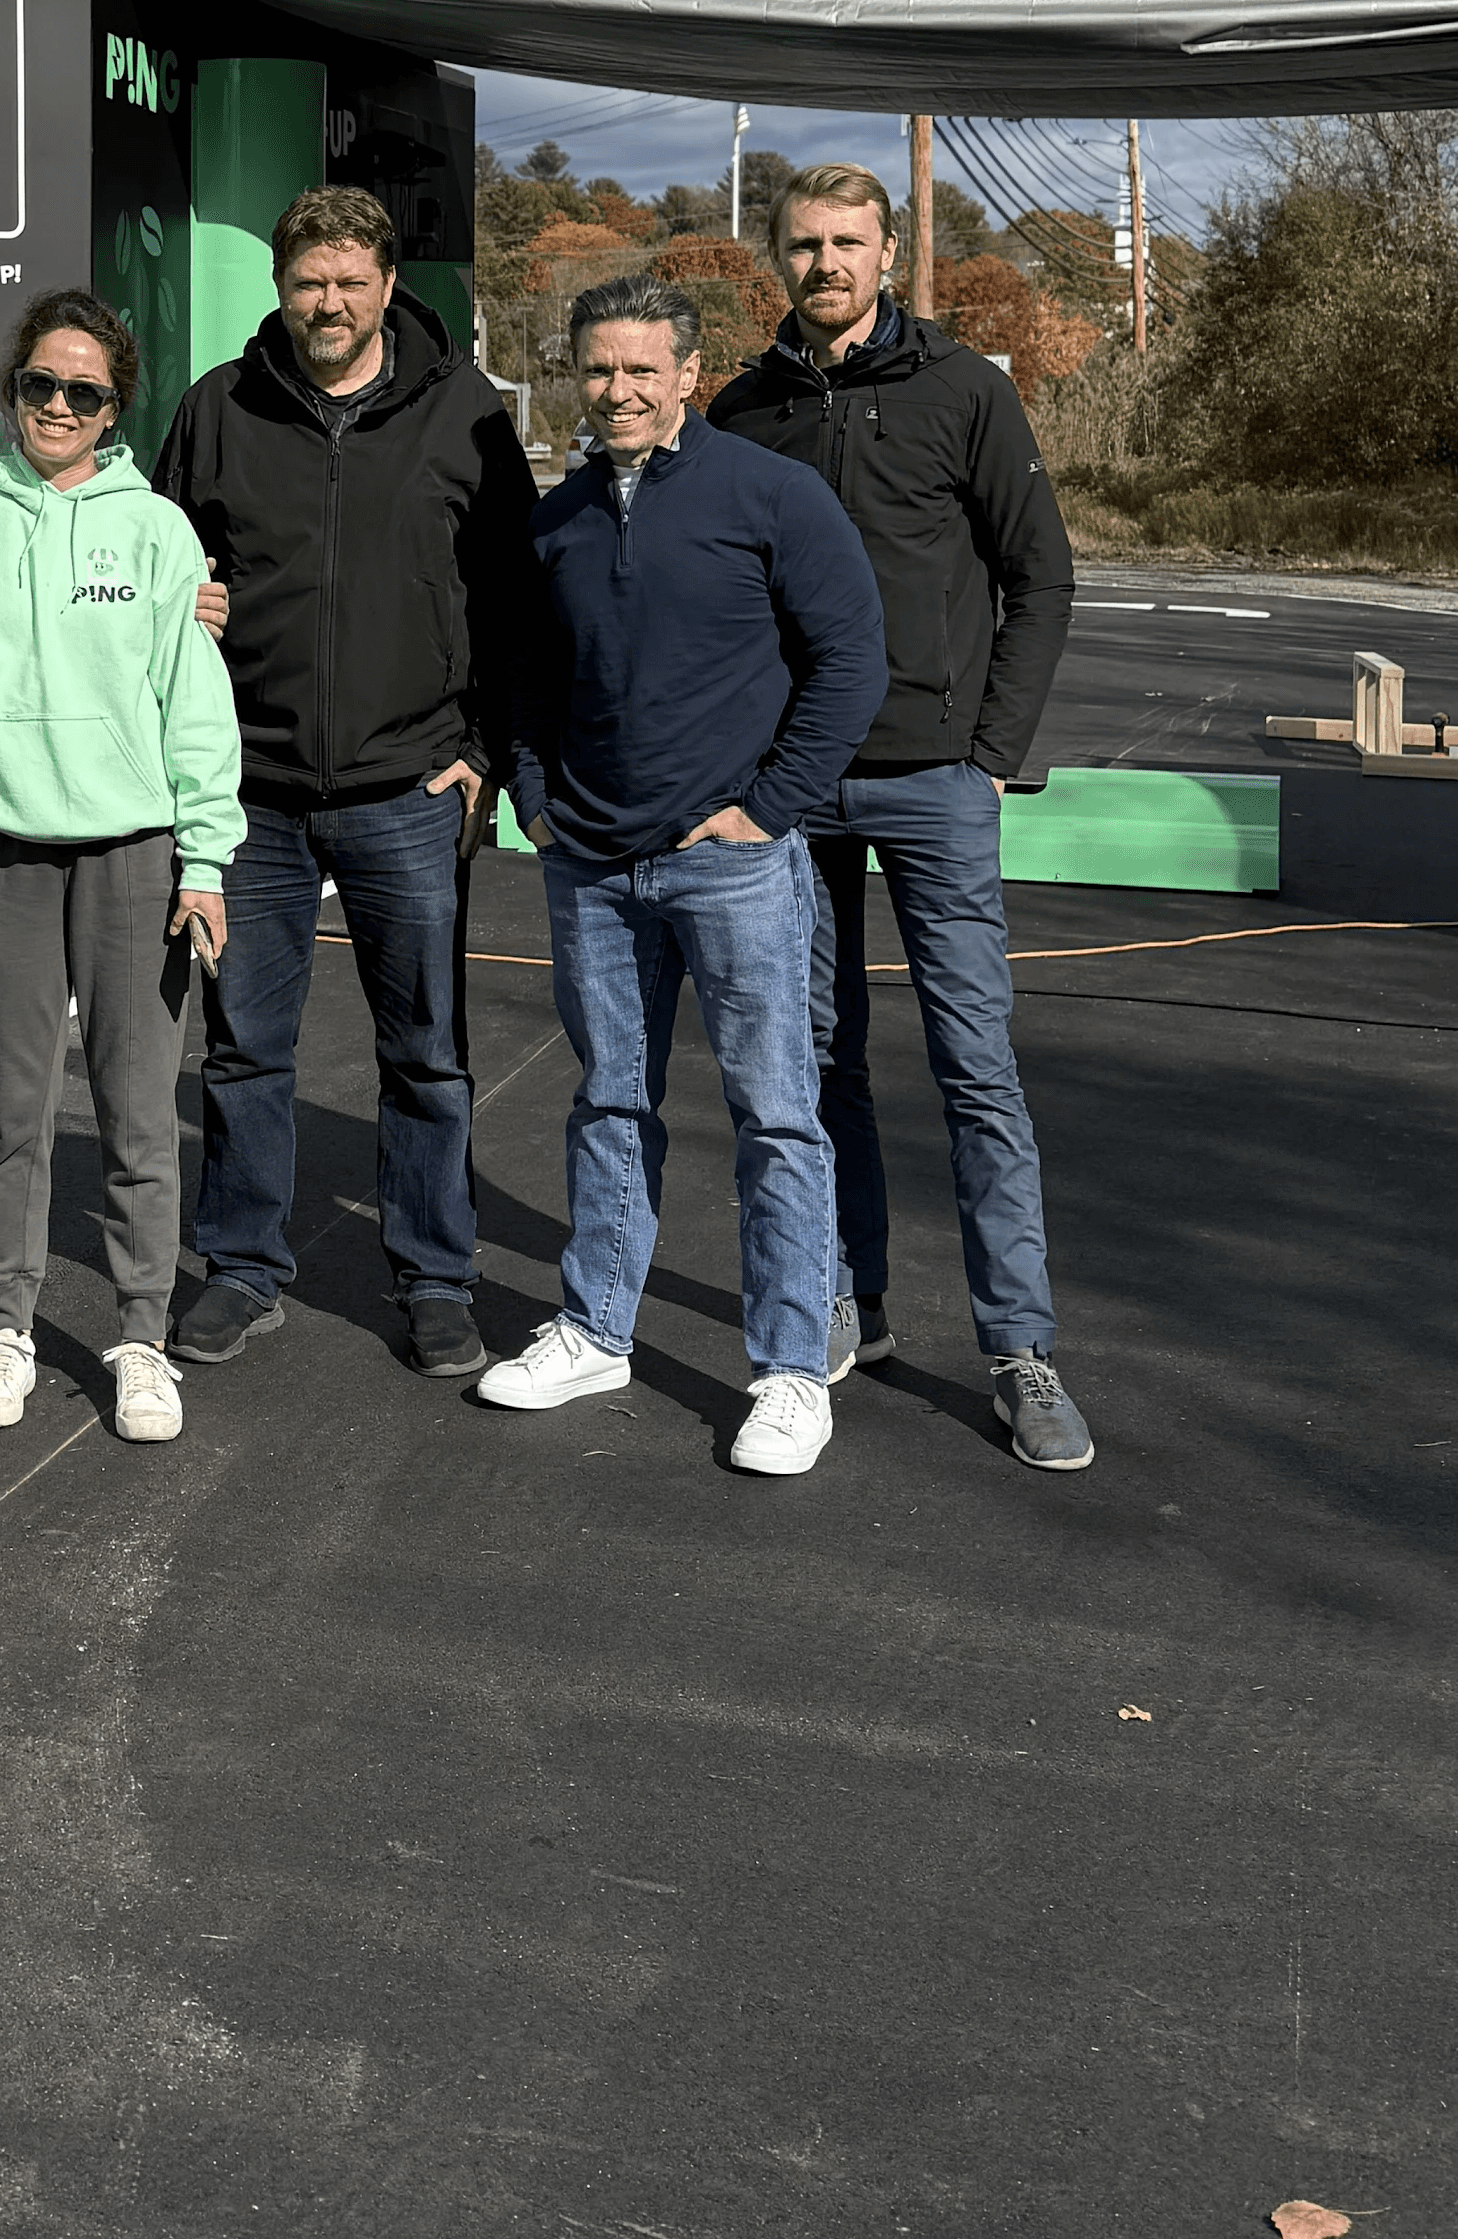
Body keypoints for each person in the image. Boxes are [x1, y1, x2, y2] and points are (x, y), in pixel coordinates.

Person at [708, 164, 1092, 1471]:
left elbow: (1042, 575)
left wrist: (989, 757)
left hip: (937, 784)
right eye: (804, 243)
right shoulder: (744, 412)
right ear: (778, 256)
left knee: (976, 1070)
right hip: (793, 791)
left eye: (848, 241)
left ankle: (1021, 1352)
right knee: (815, 1066)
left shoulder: (964, 391)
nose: (826, 262)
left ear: (890, 250)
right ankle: (840, 1302)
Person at [481, 273, 888, 1479]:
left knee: (777, 1116)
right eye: (598, 368)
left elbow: (851, 659)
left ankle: (790, 1370)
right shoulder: (557, 519)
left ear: (689, 374)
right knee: (611, 1103)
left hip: (733, 870)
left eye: (641, 368)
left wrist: (767, 808)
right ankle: (598, 1327)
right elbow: (524, 678)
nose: (617, 389)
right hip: (592, 867)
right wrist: (537, 801)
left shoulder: (771, 494)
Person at [151, 183, 537, 1381]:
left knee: (424, 1053)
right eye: (308, 281)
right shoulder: (219, 406)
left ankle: (435, 1278)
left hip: (407, 787)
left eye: (349, 281)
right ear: (281, 286)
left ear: (386, 285)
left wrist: (487, 750)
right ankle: (242, 1268)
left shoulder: (463, 410)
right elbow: (157, 565)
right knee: (243, 1048)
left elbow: (517, 598)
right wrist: (182, 607)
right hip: (251, 790)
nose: (328, 301)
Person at [0, 288, 242, 1446]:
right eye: (40, 383)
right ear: (15, 389)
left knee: (138, 1111)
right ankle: (8, 1324)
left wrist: (206, 858)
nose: (58, 405)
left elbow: (195, 703)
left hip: (135, 852)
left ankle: (140, 1336)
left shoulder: (157, 529)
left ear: (113, 406)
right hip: (5, 850)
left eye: (83, 391)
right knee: (15, 1108)